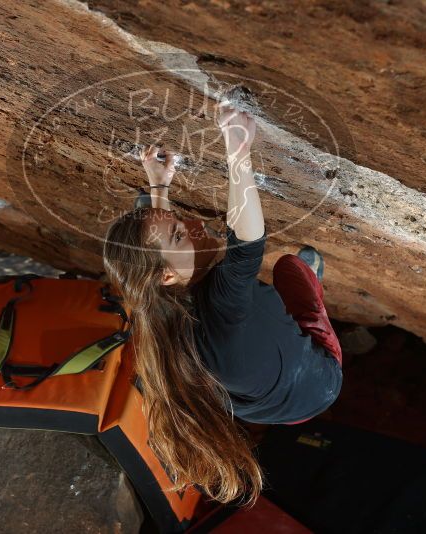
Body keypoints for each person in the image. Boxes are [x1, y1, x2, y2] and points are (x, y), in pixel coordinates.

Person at [102, 104, 343, 507]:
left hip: (268, 409)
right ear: (166, 275)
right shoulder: (218, 308)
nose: (195, 226)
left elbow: (147, 253)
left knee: (253, 296)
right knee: (290, 270)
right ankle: (310, 295)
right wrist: (238, 150)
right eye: (181, 234)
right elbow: (247, 242)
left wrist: (159, 186)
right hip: (320, 383)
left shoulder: (155, 306)